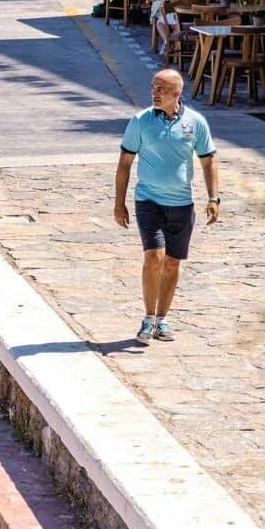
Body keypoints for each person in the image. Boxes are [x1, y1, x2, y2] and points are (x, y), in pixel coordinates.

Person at [115, 69, 221, 344]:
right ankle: (148, 318)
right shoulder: (140, 121)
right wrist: (119, 203)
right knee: (154, 257)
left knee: (172, 262)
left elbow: (208, 162)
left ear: (177, 92)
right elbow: (125, 164)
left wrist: (213, 198)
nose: (155, 93)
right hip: (148, 201)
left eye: (161, 89)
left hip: (182, 204)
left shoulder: (195, 122)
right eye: (153, 88)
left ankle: (162, 319)